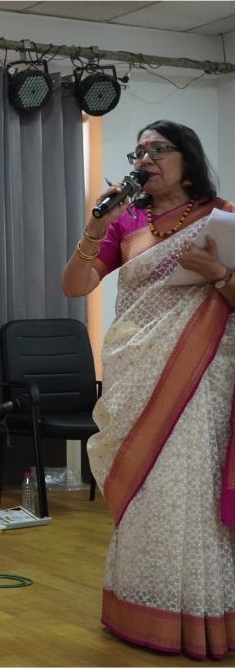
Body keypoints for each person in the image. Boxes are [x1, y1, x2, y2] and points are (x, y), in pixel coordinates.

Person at [62, 120, 235, 659]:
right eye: (139, 151)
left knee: (188, 492)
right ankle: (140, 608)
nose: (146, 158)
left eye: (159, 148)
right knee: (146, 495)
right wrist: (96, 227)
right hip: (136, 371)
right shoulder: (126, 220)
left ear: (188, 158)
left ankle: (199, 614)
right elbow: (74, 286)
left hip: (199, 374)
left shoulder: (222, 217)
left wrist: (217, 273)